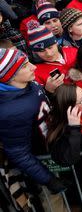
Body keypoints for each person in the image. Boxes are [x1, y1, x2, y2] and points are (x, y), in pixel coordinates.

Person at [0, 48, 66, 193]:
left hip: (53, 144)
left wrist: (48, 91)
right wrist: (48, 179)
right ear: (9, 76)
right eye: (24, 65)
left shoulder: (28, 83)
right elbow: (19, 153)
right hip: (43, 159)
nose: (33, 66)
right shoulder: (9, 112)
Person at [27, 24, 77, 93]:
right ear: (35, 52)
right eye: (42, 51)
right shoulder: (36, 72)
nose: (49, 54)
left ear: (56, 43)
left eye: (50, 47)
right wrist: (47, 90)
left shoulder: (72, 51)